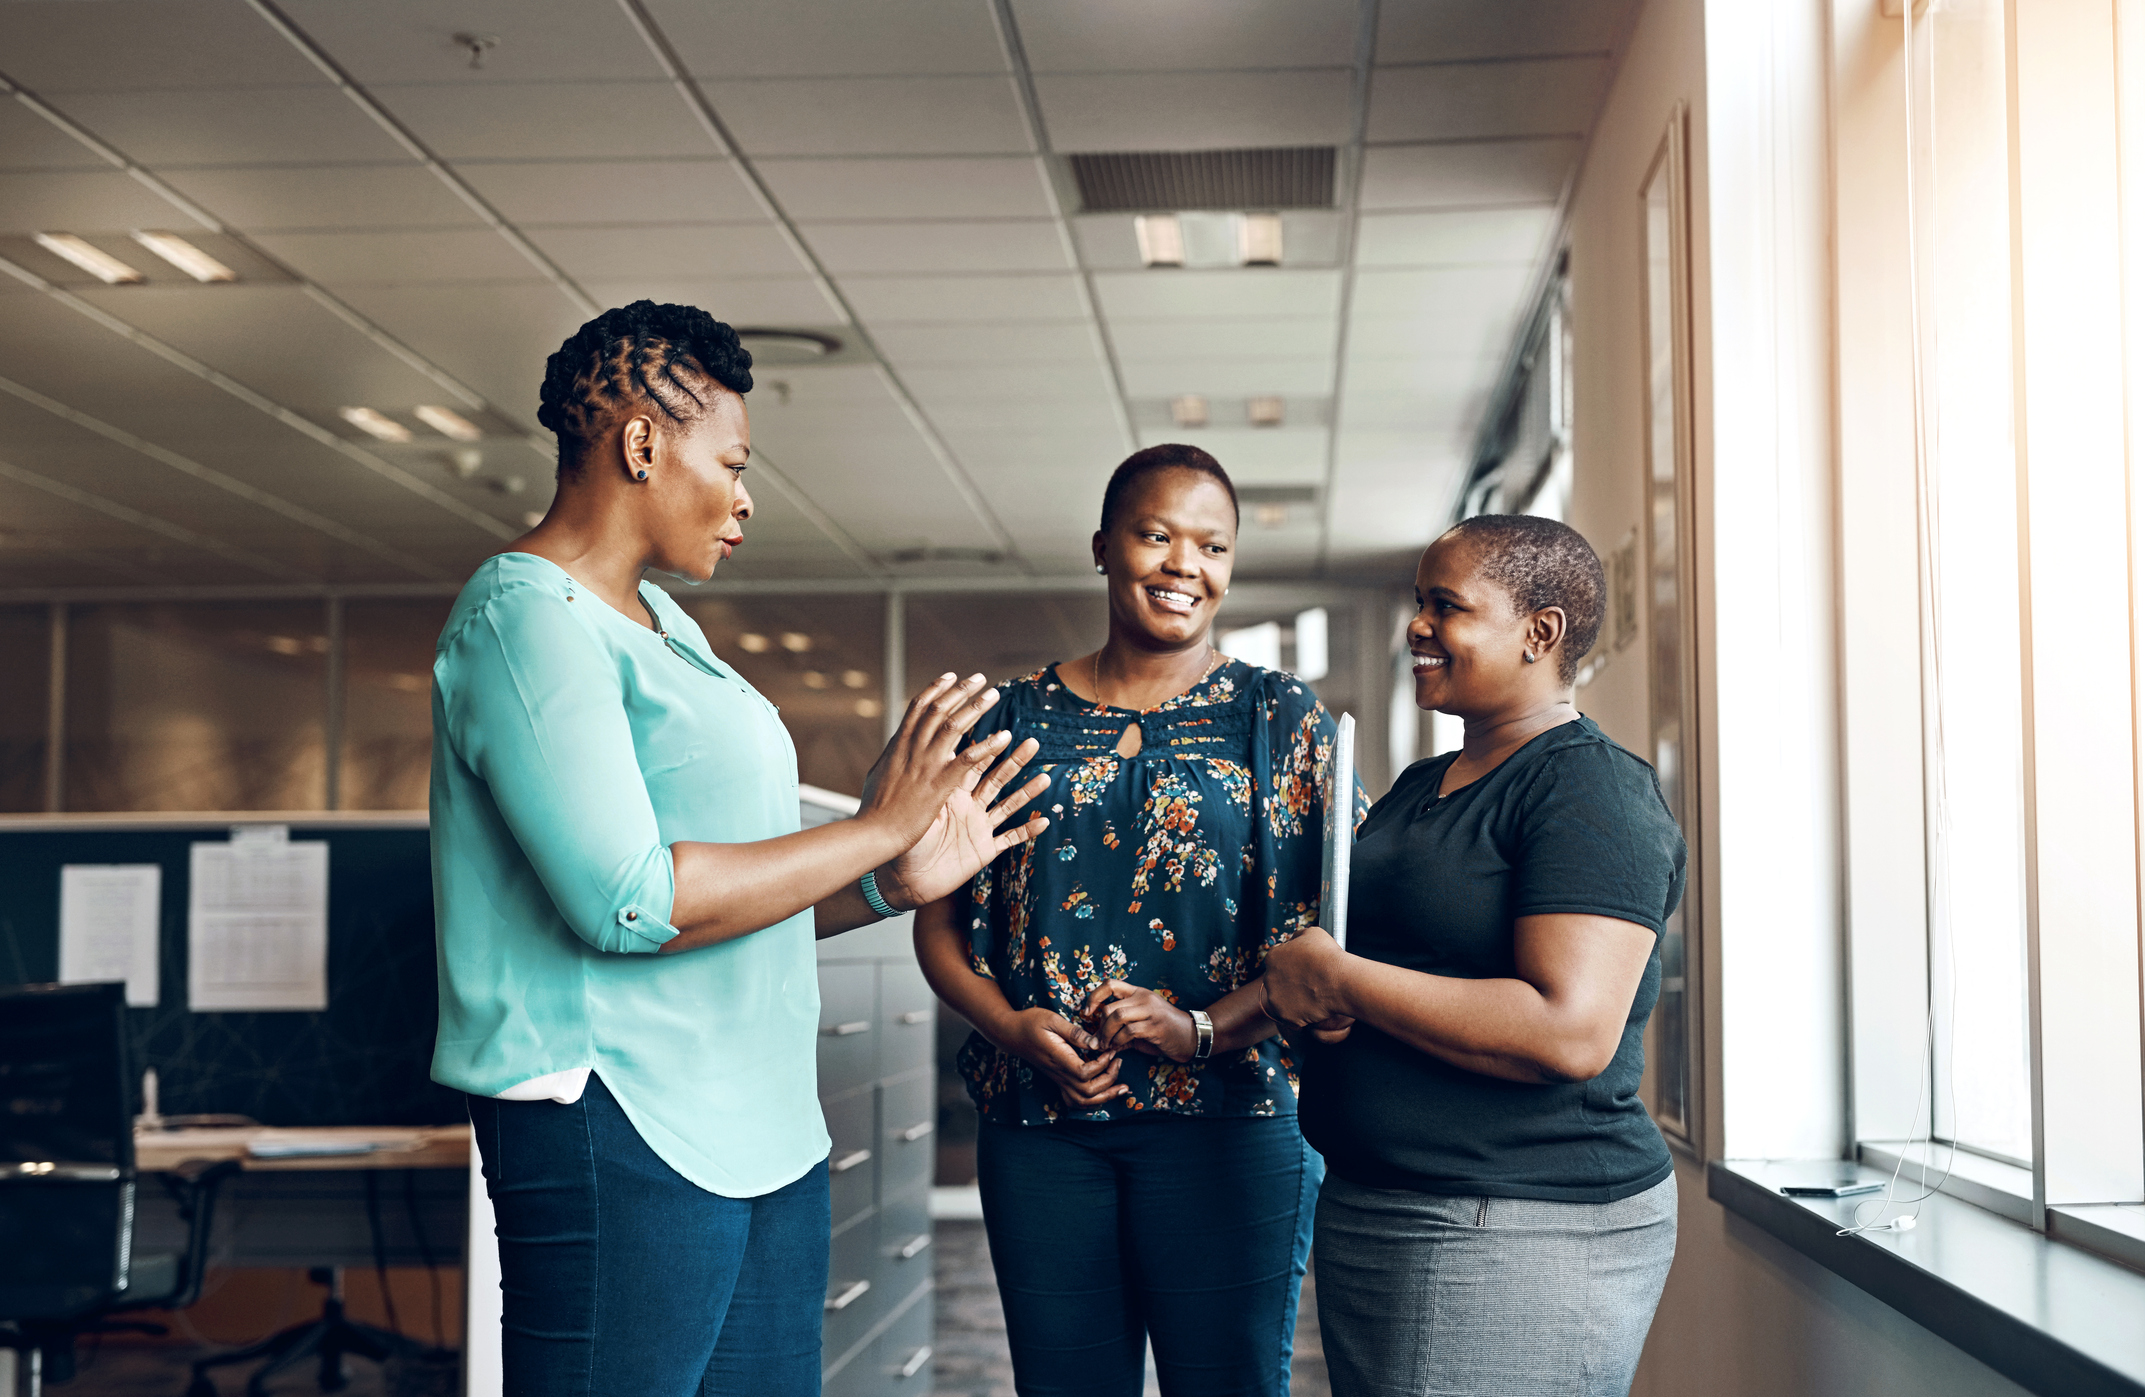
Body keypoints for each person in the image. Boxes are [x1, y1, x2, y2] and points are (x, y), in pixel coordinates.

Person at [429, 301, 1051, 1397]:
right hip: (615, 1117)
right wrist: (873, 825)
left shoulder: (671, 629)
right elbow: (628, 898)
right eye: (733, 460)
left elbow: (734, 896)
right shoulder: (523, 617)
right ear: (641, 444)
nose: (747, 494)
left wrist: (886, 878)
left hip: (763, 1120)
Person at [913, 444, 1358, 1397]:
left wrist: (1198, 1028)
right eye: (1155, 535)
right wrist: (1010, 1028)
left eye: (1211, 545)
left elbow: (1337, 941)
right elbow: (938, 924)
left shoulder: (1279, 719)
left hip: (1231, 1122)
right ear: (1103, 547)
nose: (1182, 565)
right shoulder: (1010, 721)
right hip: (1040, 1122)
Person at [1260, 514, 1685, 1397]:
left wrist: (1343, 980)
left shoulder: (1589, 787)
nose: (1415, 626)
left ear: (1541, 632)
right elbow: (1376, 973)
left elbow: (1567, 1032)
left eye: (1444, 605)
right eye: (1417, 603)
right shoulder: (1424, 783)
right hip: (1382, 1199)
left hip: (1515, 1216)